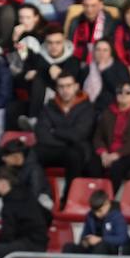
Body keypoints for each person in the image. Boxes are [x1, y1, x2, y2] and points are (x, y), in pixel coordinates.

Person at [35, 72, 98, 200]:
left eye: (68, 86)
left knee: (75, 155)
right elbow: (41, 133)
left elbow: (79, 135)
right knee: (32, 153)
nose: (65, 90)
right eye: (61, 86)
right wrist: (66, 139)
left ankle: (68, 198)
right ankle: (40, 195)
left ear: (76, 86)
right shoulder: (49, 107)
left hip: (77, 151)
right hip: (54, 149)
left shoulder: (87, 107)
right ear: (57, 88)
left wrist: (54, 131)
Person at [0, 168, 50, 258]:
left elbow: (8, 234)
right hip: (38, 243)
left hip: (29, 245)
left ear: (3, 182)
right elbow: (48, 215)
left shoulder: (10, 203)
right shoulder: (28, 195)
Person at [93, 82, 130, 186]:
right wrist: (103, 153)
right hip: (108, 153)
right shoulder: (107, 113)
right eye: (120, 92)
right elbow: (98, 137)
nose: (123, 94)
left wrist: (117, 154)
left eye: (128, 92)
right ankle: (93, 196)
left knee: (117, 166)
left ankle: (108, 198)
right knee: (92, 164)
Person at [60, 189, 128, 258]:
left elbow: (122, 239)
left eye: (99, 210)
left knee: (102, 245)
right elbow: (84, 235)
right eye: (94, 211)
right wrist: (86, 241)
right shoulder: (90, 216)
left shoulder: (117, 217)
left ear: (107, 203)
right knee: (68, 246)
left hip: (109, 250)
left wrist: (101, 239)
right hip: (91, 248)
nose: (96, 214)